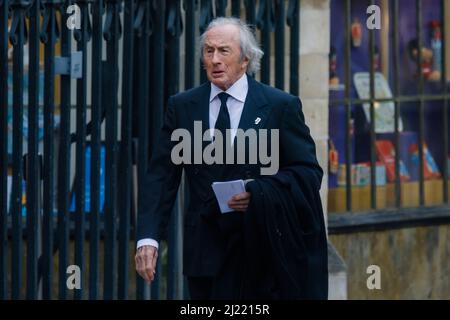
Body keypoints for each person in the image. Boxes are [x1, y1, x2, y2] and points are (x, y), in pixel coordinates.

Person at [135, 17, 328, 300]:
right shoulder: (182, 106)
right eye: (208, 51)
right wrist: (148, 237)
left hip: (261, 251)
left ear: (245, 59)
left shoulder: (279, 106)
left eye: (224, 51)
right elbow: (161, 177)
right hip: (205, 254)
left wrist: (260, 192)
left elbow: (309, 173)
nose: (215, 60)